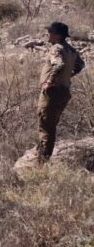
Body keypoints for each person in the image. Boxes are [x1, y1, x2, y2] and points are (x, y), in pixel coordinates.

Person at [36, 22, 85, 162]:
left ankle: (42, 161)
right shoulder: (71, 50)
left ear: (57, 35)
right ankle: (42, 154)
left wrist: (49, 82)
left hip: (52, 92)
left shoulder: (56, 48)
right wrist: (67, 76)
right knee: (51, 125)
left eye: (50, 31)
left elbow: (59, 64)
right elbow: (80, 66)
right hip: (64, 92)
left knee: (46, 127)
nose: (47, 34)